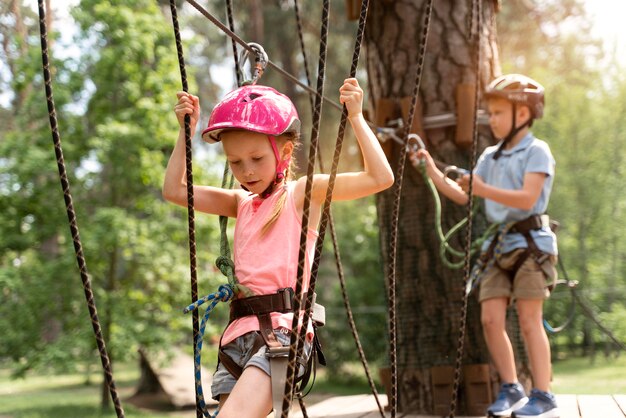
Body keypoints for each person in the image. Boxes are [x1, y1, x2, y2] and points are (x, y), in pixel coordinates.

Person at [163, 78, 394, 418]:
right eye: (236, 162)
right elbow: (175, 190)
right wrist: (185, 133)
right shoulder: (240, 203)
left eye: (256, 157)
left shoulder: (301, 195)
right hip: (237, 338)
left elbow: (380, 177)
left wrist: (356, 117)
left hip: (284, 336)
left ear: (285, 152)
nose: (247, 170)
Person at [411, 74, 559, 418]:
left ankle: (544, 393)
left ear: (522, 114)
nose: (490, 119)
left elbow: (527, 198)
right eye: (489, 113)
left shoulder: (537, 151)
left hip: (531, 245)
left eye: (497, 113)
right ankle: (510, 387)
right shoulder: (489, 157)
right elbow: (465, 196)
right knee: (491, 319)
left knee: (528, 320)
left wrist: (483, 188)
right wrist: (431, 170)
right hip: (499, 246)